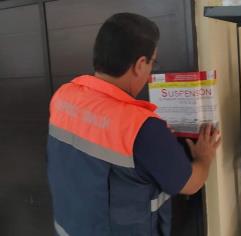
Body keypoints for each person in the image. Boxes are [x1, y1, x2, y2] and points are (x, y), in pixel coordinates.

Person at [47, 12, 221, 236]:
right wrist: (204, 157)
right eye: (152, 62)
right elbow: (191, 184)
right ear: (140, 64)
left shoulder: (63, 96)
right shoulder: (141, 127)